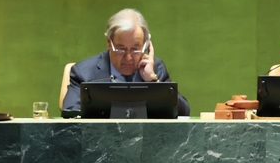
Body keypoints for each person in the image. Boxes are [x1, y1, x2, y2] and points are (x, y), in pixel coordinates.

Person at [62, 8, 190, 116]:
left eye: (135, 49)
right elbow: (70, 114)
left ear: (146, 45)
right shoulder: (84, 72)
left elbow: (184, 113)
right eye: (120, 49)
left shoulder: (156, 68)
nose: (128, 57)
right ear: (108, 43)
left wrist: (153, 81)